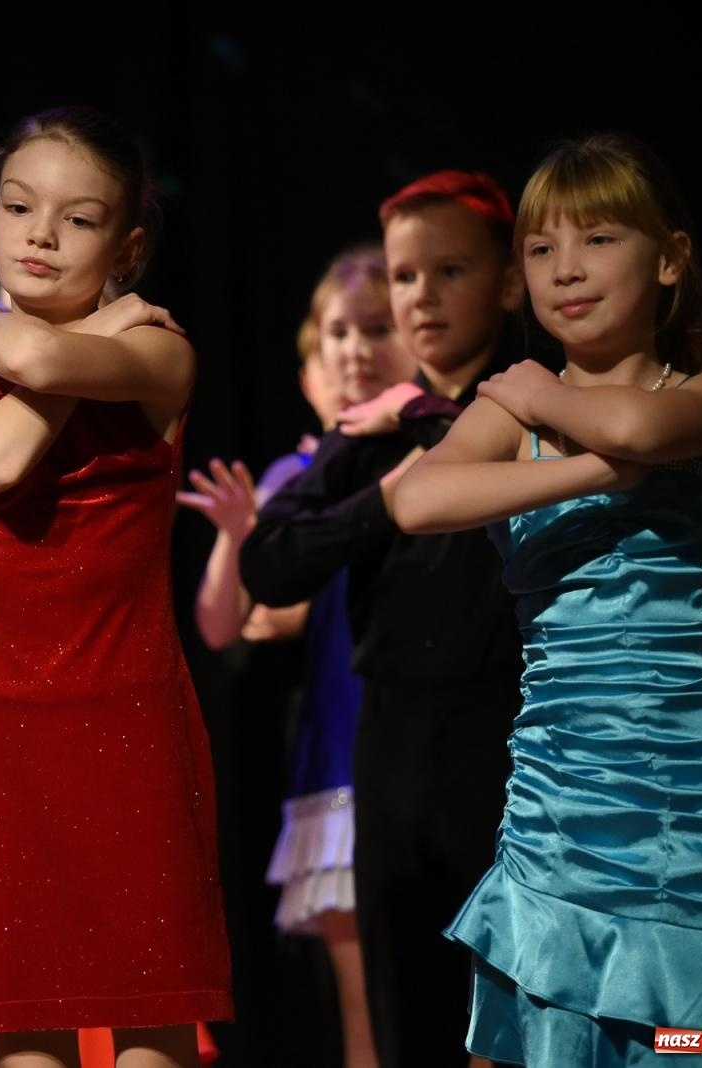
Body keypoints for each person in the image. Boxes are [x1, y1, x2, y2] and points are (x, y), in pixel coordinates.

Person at [391, 133, 702, 1065]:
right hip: (560, 791)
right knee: (537, 1030)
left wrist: (548, 400)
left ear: (669, 259)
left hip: (696, 791)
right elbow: (413, 497)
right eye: (541, 250)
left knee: (695, 1036)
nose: (565, 270)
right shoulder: (516, 409)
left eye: (598, 240)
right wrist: (588, 470)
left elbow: (634, 421)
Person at [0, 106, 231, 1068]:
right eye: (18, 207)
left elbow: (44, 358)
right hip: (4, 721)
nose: (40, 235)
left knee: (152, 1014)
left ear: (128, 246)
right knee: (28, 1021)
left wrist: (38, 331)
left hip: (130, 713)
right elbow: (6, 457)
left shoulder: (158, 352)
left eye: (79, 219)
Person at [238, 171, 527, 1068]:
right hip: (391, 744)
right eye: (406, 277)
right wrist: (385, 489)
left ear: (509, 281)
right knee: (403, 1013)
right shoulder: (367, 432)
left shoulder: (539, 402)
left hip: (512, 739)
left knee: (516, 1010)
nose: (423, 298)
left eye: (450, 271)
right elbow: (269, 563)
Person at [182, 243, 411, 1068]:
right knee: (362, 994)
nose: (355, 350)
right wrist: (240, 537)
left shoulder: (439, 444)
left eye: (376, 328)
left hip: (423, 734)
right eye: (337, 333)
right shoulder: (300, 475)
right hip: (339, 748)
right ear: (311, 368)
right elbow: (220, 623)